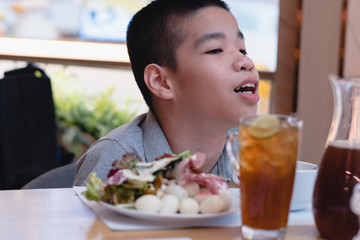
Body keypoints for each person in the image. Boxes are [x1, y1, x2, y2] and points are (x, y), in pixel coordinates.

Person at [74, 0, 259, 186]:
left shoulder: (257, 150)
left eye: (242, 49)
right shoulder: (116, 162)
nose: (245, 62)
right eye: (215, 50)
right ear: (161, 82)